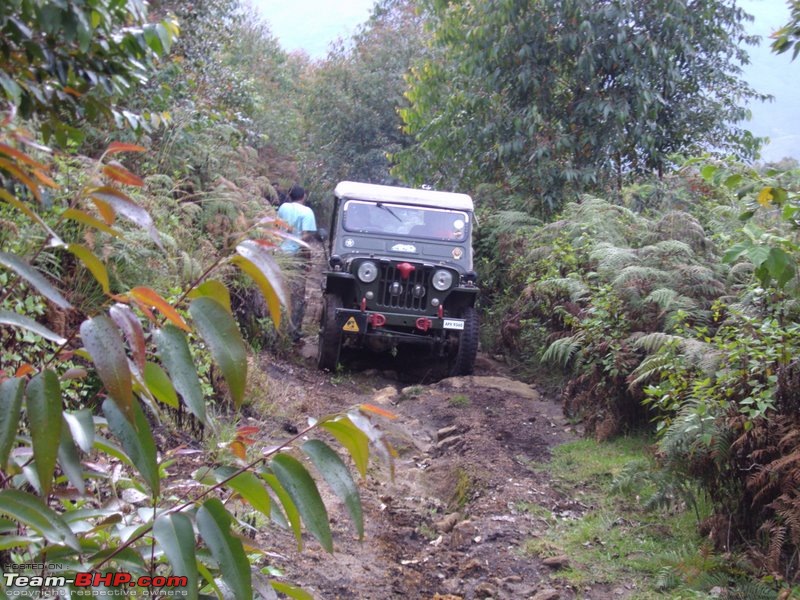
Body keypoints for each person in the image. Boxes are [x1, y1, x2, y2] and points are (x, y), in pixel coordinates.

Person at [277, 185, 317, 341]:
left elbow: (277, 228)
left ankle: (276, 326)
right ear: (304, 196)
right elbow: (306, 237)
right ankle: (293, 333)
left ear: (289, 195)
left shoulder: (283, 208)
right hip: (295, 258)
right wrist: (308, 259)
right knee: (297, 295)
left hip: (279, 255)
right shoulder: (307, 212)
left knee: (280, 290)